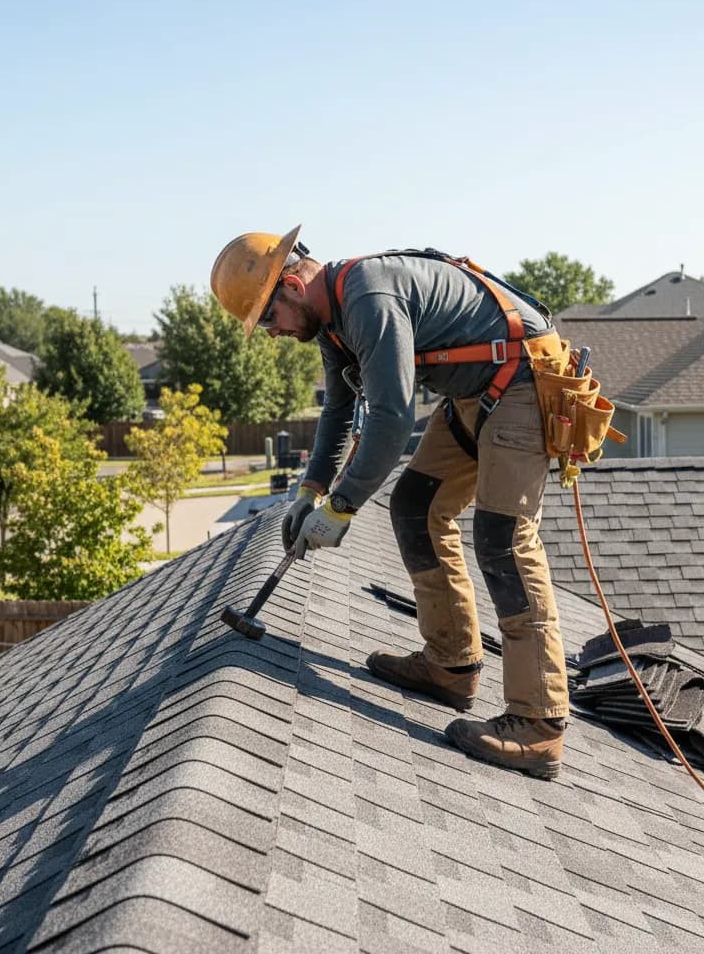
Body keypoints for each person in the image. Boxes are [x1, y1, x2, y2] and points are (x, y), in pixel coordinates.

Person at [210, 226, 568, 779]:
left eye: (269, 318)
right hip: (481, 391)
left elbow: (392, 417)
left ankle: (539, 724)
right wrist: (309, 494)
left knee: (502, 538)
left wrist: (343, 505)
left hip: (524, 382)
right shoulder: (332, 325)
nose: (274, 334)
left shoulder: (367, 296)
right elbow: (338, 413)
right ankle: (452, 664)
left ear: (291, 284)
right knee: (415, 507)